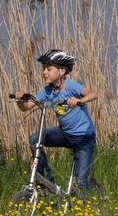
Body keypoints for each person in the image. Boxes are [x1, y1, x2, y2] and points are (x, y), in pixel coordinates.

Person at [13, 49, 99, 194]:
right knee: (35, 139)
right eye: (43, 69)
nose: (44, 72)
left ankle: (89, 209)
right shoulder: (47, 91)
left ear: (62, 71)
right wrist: (20, 99)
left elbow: (93, 94)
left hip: (84, 139)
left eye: (49, 69)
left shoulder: (71, 86)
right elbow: (26, 107)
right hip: (65, 134)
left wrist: (79, 100)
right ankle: (45, 180)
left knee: (80, 186)